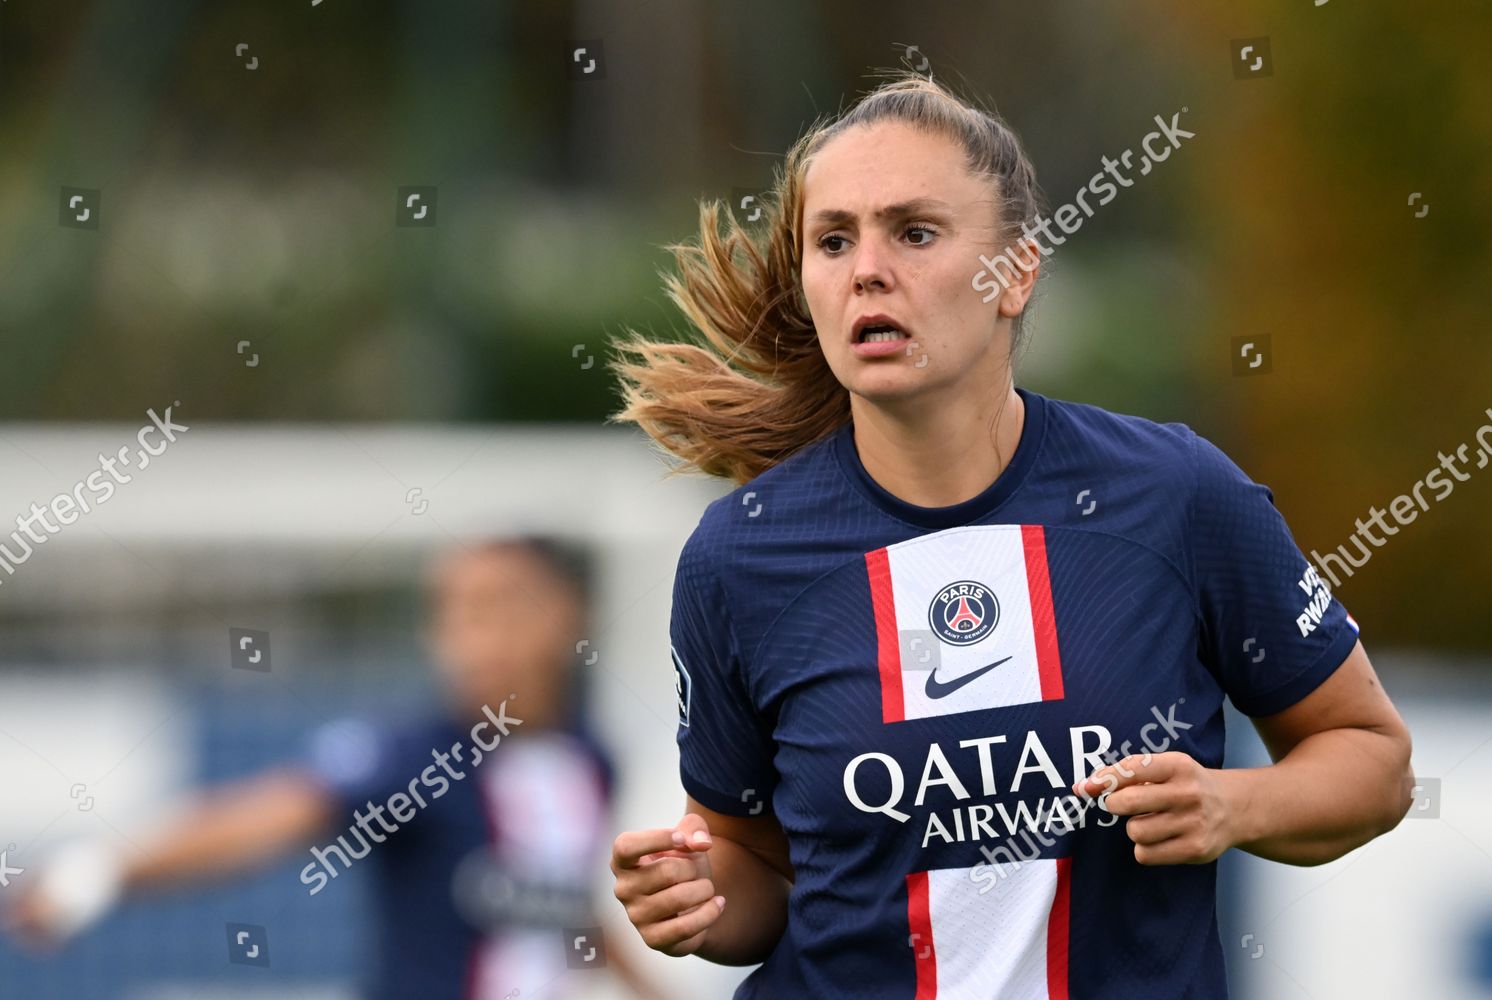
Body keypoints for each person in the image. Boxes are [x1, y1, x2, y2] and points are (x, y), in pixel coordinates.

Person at [604, 71, 1414, 998]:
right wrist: (696, 896)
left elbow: (1374, 762)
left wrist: (1233, 805)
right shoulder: (739, 558)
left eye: (914, 232)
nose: (868, 267)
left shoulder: (1174, 496)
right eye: (833, 240)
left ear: (1016, 272)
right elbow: (757, 862)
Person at [5, 537, 666, 1000]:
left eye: (499, 606)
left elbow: (563, 909)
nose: (473, 638)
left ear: (566, 615)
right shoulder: (413, 757)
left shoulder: (593, 759)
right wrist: (97, 873)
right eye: (453, 613)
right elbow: (269, 815)